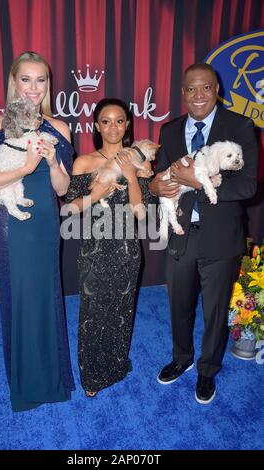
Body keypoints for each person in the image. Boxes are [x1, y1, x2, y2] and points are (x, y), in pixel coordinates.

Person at [150, 63, 258, 404]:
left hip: (221, 236)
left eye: (206, 88)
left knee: (214, 312)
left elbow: (248, 185)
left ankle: (207, 369)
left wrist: (196, 182)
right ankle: (182, 359)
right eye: (191, 89)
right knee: (178, 303)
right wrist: (154, 185)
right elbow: (162, 176)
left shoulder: (240, 126)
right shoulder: (169, 130)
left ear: (218, 92)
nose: (198, 95)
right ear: (182, 93)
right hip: (181, 232)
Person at [0, 51, 75, 411]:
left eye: (41, 80)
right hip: (10, 224)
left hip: (46, 222)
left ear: (48, 85)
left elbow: (63, 189)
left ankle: (52, 378)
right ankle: (25, 383)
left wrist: (50, 161)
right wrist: (27, 165)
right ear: (14, 82)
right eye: (26, 80)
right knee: (19, 297)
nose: (33, 88)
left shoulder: (59, 128)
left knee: (47, 295)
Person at [64, 98, 152, 397]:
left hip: (127, 248)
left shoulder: (141, 161)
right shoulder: (83, 162)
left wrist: (130, 175)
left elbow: (143, 212)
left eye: (119, 120)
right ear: (96, 125)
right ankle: (91, 378)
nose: (112, 126)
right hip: (94, 249)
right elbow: (70, 209)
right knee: (92, 314)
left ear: (127, 125)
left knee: (121, 311)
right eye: (105, 120)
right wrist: (96, 192)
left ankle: (114, 366)